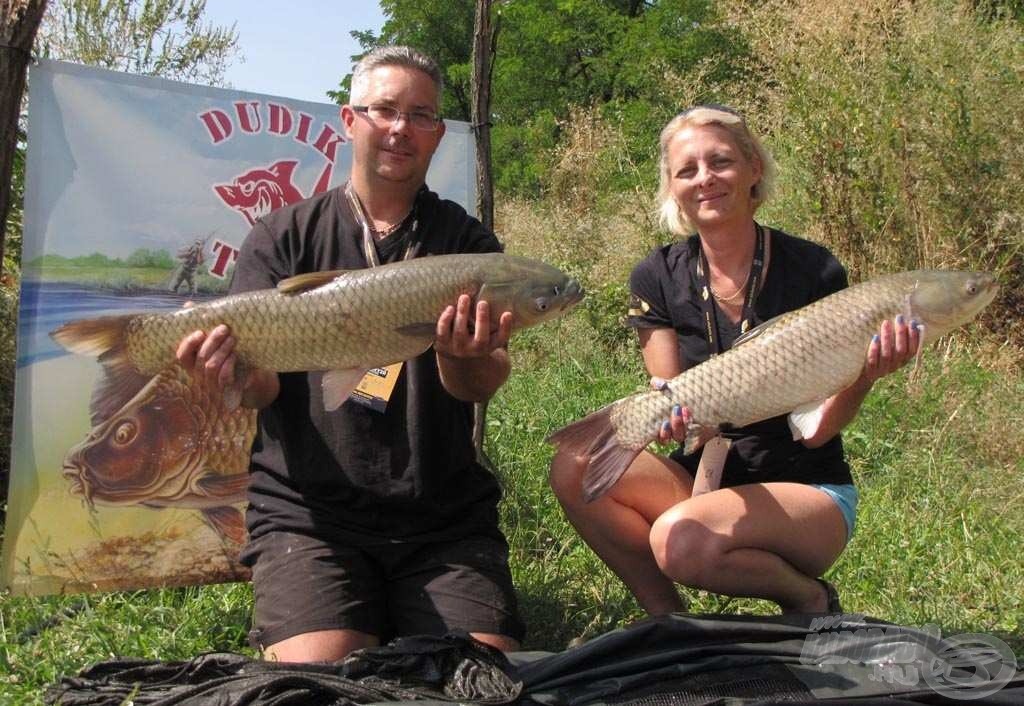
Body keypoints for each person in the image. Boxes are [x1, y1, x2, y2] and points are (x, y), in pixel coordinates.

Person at [175, 46, 524, 661]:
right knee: (320, 677)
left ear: (438, 134)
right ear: (349, 120)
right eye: (385, 109)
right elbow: (261, 391)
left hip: (441, 514)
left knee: (475, 674)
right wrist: (232, 370)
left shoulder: (466, 244)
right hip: (311, 513)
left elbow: (480, 386)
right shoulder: (283, 234)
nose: (400, 128)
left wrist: (461, 354)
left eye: (420, 115)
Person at [549, 105, 920, 615]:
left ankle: (811, 602)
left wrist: (864, 375)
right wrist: (663, 420)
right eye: (687, 170)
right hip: (701, 480)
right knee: (574, 464)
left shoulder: (813, 268)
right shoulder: (655, 274)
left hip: (804, 488)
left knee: (681, 541)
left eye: (720, 162)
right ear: (672, 187)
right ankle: (671, 623)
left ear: (753, 169)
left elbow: (815, 432)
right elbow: (668, 393)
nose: (706, 179)